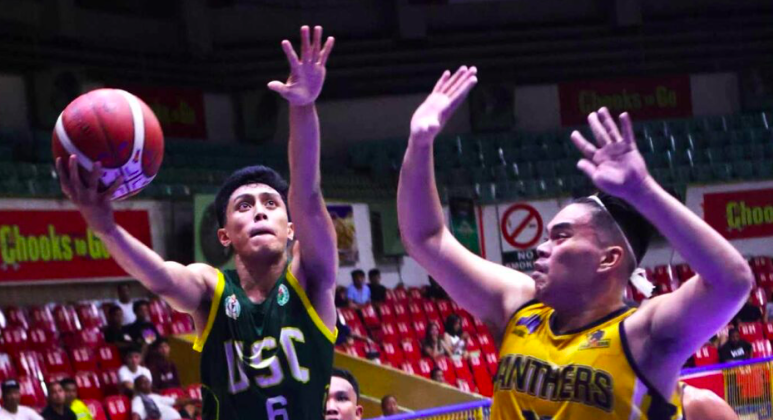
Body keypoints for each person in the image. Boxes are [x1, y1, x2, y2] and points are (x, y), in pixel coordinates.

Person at [397, 66, 754, 419]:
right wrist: (419, 143)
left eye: (561, 236)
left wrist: (643, 191)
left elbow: (732, 281)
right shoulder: (517, 305)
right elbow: (426, 238)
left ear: (607, 259)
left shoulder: (642, 334)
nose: (541, 248)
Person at [55, 25, 338, 420]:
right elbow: (161, 279)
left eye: (271, 203)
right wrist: (106, 227)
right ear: (224, 235)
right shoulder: (211, 288)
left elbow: (307, 194)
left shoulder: (313, 278)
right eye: (243, 206)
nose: (258, 210)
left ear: (291, 228)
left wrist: (303, 106)